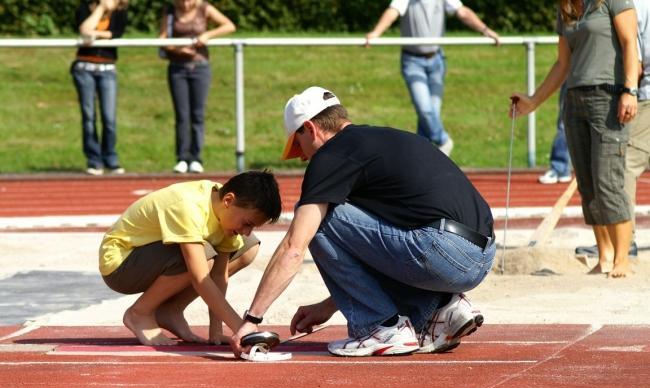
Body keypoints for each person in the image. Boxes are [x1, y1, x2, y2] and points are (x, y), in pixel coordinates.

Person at [231, 86, 495, 358]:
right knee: (358, 221)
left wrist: (253, 320)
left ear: (310, 128)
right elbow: (373, 247)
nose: (300, 156)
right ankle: (440, 308)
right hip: (482, 255)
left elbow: (294, 247)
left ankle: (379, 327)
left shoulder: (330, 156)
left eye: (297, 144)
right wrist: (328, 305)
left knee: (318, 220)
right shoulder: (388, 138)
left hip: (442, 252)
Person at [511, 0, 638, 278]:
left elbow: (630, 43)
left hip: (609, 96)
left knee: (609, 181)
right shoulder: (565, 7)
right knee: (587, 183)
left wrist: (630, 89)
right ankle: (604, 256)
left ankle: (622, 258)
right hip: (574, 100)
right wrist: (533, 101)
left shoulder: (614, 2)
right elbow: (562, 63)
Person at [99, 171, 282, 346]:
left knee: (247, 248)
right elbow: (200, 278)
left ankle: (171, 310)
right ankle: (139, 312)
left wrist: (217, 330)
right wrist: (243, 330)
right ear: (228, 200)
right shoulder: (188, 206)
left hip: (150, 258)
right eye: (247, 224)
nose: (246, 231)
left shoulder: (226, 210)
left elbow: (219, 276)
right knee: (202, 258)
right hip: (121, 266)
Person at [366, 0, 500, 156]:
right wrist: (376, 33)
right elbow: (392, 12)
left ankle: (419, 158)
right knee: (425, 110)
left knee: (430, 115)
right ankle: (443, 141)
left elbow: (462, 12)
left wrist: (485, 29)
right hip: (412, 61)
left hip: (437, 61)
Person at [575, 0, 648, 258]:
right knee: (602, 173)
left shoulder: (635, 4)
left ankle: (624, 247)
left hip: (638, 95)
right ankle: (611, 247)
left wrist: (631, 90)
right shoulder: (584, 7)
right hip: (623, 93)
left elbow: (637, 56)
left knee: (620, 167)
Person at [159, 0, 236, 174]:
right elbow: (162, 39)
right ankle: (182, 158)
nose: (186, 4)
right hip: (177, 68)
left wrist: (208, 35)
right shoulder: (170, 11)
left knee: (197, 115)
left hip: (200, 68)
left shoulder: (204, 8)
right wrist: (178, 50)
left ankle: (196, 157)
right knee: (182, 115)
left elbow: (229, 25)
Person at [72, 0, 128, 176]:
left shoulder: (121, 11)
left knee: (109, 118)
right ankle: (94, 160)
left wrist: (94, 35)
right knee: (89, 117)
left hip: (107, 69)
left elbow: (116, 34)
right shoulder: (84, 7)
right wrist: (101, 9)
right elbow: (83, 29)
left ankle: (111, 158)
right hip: (84, 69)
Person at [538, 82, 573, 184]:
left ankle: (561, 167)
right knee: (565, 123)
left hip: (602, 81)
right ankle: (560, 167)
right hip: (573, 77)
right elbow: (561, 66)